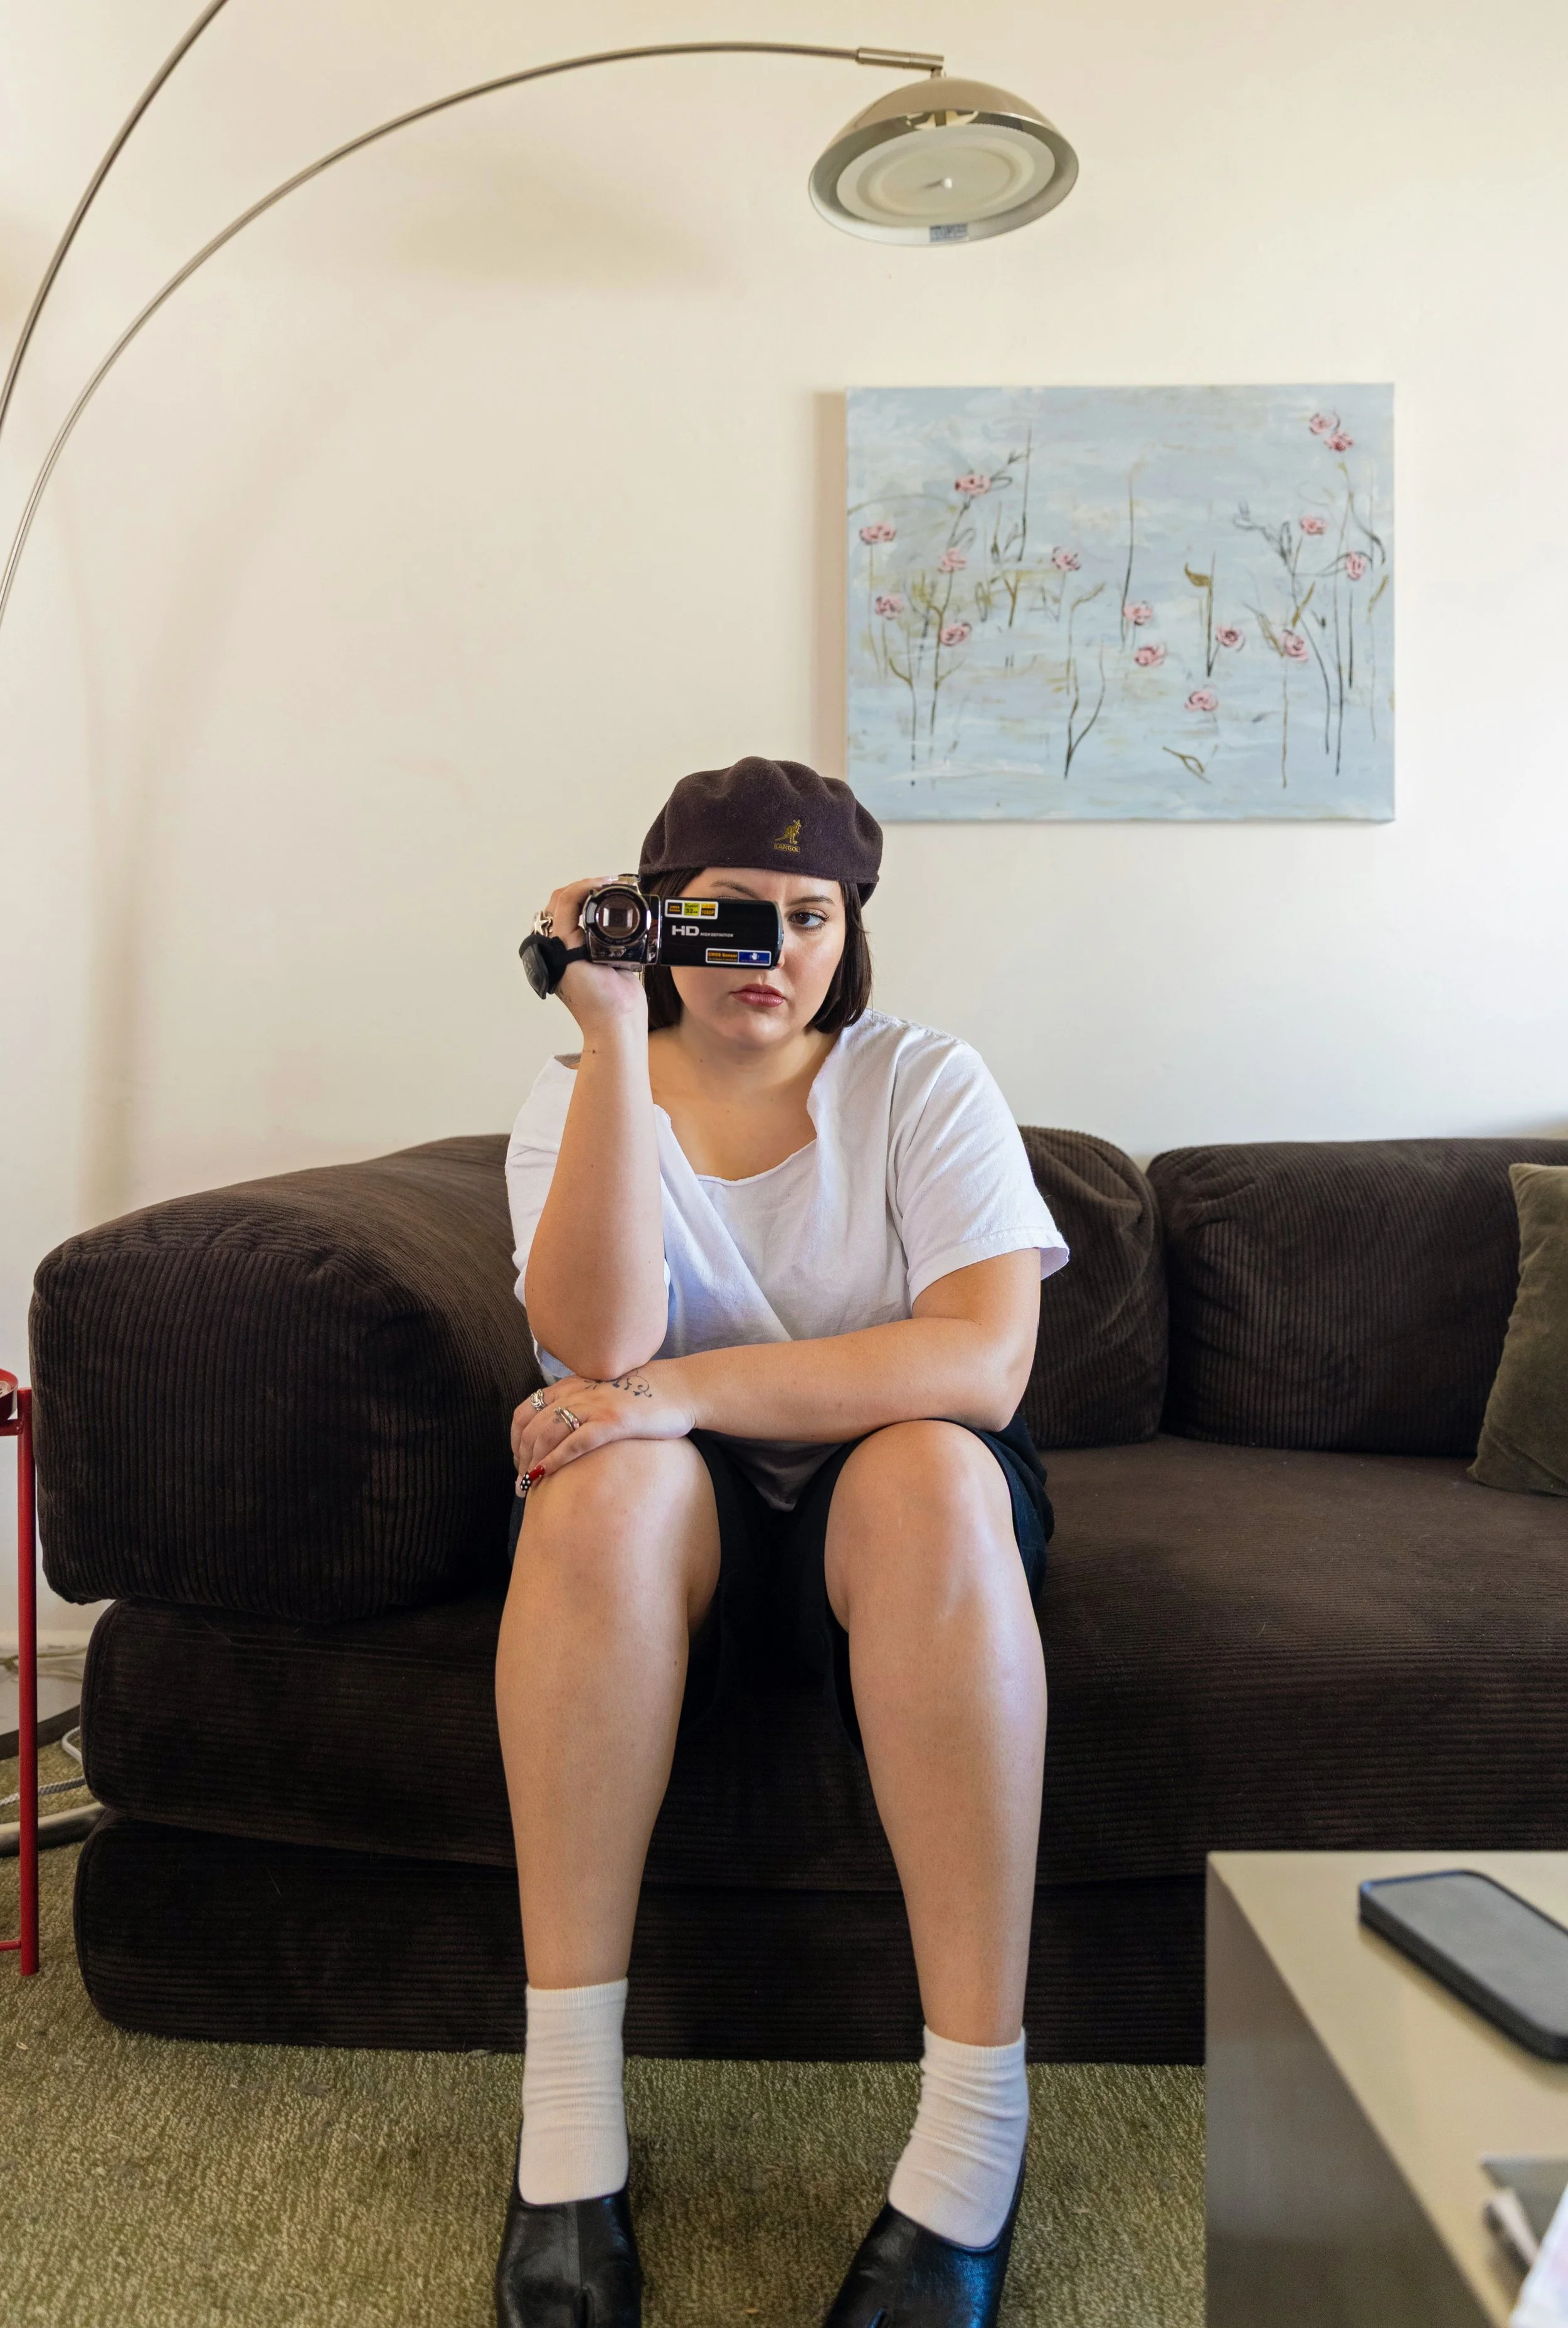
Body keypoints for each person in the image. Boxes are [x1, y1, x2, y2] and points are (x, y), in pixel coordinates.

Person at [494, 755, 1067, 2328]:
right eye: (726, 918)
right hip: (680, 1542)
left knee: (928, 1468)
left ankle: (970, 2143)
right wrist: (612, 1038)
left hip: (896, 1535)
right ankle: (566, 2141)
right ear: (656, 922)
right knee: (600, 1482)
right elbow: (593, 1337)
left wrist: (676, 1390)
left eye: (808, 918)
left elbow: (977, 1359)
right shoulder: (577, 1096)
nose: (773, 954)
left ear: (848, 926)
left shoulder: (918, 1080)